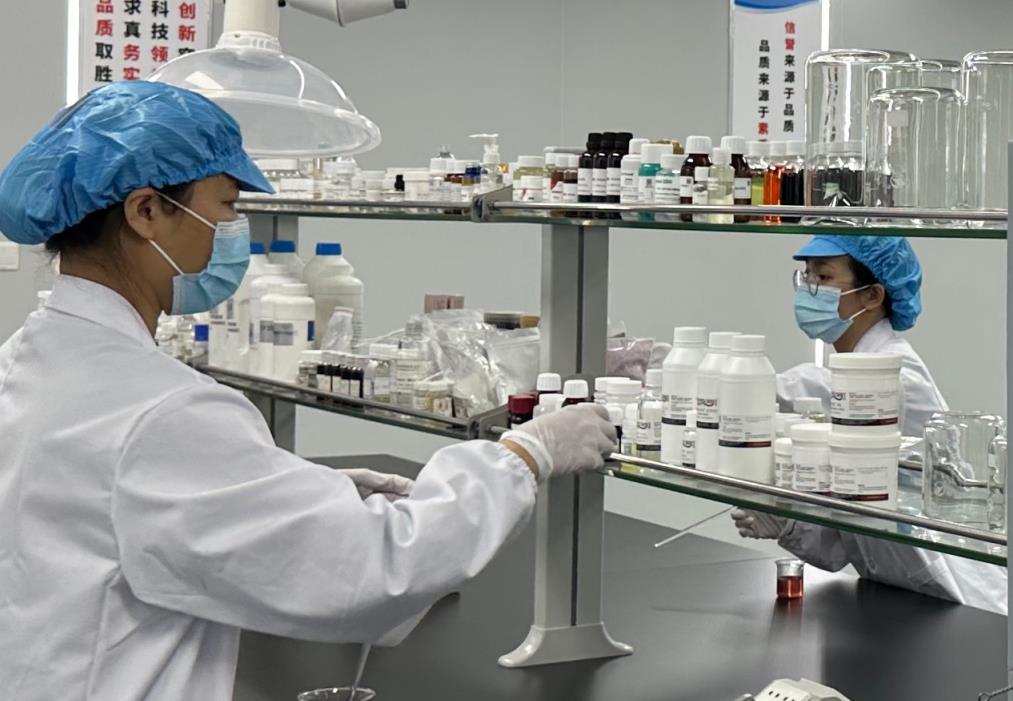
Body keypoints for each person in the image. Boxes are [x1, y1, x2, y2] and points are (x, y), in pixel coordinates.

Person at [0, 82, 617, 699]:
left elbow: (110, 507)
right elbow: (376, 571)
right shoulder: (164, 409)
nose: (231, 228)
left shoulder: (27, 359)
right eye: (225, 204)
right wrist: (522, 457)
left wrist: (285, 489)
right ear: (146, 212)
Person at [733, 235, 1007, 614]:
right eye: (805, 276)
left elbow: (790, 389)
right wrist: (789, 524)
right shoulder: (852, 367)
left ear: (872, 296)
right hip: (899, 594)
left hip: (966, 599)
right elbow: (844, 542)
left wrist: (691, 374)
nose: (808, 289)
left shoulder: (894, 375)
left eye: (823, 277)